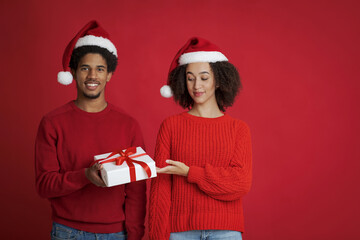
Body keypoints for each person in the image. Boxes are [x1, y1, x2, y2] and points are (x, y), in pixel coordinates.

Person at [35, 20, 146, 240]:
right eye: (85, 68)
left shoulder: (129, 125)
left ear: (109, 75)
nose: (92, 76)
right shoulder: (52, 122)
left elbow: (137, 191)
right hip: (67, 232)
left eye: (100, 69)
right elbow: (44, 185)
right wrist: (84, 176)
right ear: (74, 73)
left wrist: (134, 235)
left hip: (116, 233)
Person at [149, 37, 252, 240]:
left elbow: (240, 183)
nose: (197, 85)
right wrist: (156, 236)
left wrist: (190, 172)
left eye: (204, 77)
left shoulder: (238, 129)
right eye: (190, 77)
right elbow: (160, 190)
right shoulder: (171, 126)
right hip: (179, 232)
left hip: (227, 231)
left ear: (219, 79)